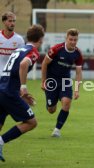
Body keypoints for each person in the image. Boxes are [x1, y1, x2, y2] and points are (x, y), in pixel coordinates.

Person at [0, 24, 45, 162]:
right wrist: (23, 88)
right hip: (10, 93)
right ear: (41, 39)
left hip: (1, 88)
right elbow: (24, 64)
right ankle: (1, 142)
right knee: (31, 122)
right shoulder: (33, 51)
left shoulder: (19, 49)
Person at [41, 28, 83, 138]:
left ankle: (57, 130)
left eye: (75, 40)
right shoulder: (56, 49)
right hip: (52, 80)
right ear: (66, 39)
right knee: (51, 109)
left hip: (65, 80)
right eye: (71, 39)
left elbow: (78, 73)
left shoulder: (77, 53)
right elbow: (44, 64)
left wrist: (77, 90)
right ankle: (51, 103)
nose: (73, 42)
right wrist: (43, 82)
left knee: (66, 102)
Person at [0, 11, 25, 76]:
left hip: (12, 76)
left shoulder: (19, 40)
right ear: (4, 22)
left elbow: (22, 59)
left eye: (14, 21)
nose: (12, 23)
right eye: (10, 21)